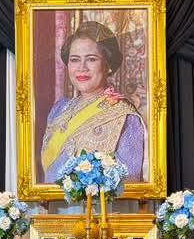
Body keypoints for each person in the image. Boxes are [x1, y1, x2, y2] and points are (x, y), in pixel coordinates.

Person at [39, 21, 145, 184]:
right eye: (74, 60)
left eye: (91, 59)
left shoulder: (125, 117)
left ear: (108, 65)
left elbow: (129, 183)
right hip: (51, 200)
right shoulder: (59, 109)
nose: (82, 68)